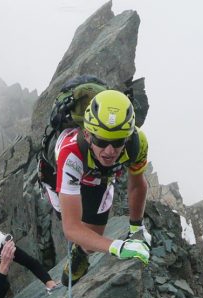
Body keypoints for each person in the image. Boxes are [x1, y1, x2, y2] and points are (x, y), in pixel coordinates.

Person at [41, 89, 152, 285]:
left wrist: (136, 228)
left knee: (92, 242)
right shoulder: (71, 152)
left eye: (118, 142)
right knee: (74, 223)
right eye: (101, 141)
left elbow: (137, 185)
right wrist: (119, 247)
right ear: (88, 134)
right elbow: (71, 228)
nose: (109, 151)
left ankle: (81, 254)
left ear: (127, 137)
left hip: (98, 176)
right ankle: (81, 250)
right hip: (57, 172)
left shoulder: (138, 144)